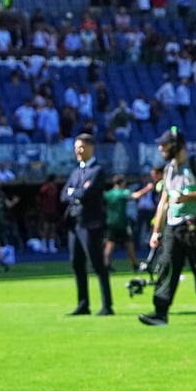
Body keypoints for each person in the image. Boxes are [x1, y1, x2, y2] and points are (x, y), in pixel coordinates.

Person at [139, 127, 196, 326]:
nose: (161, 148)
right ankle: (160, 311)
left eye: (164, 145)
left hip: (194, 224)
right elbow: (163, 202)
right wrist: (156, 231)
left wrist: (187, 197)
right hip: (173, 227)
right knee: (167, 267)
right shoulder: (168, 170)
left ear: (176, 145)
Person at [61, 133, 114, 316]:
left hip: (90, 223)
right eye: (76, 148)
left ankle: (107, 305)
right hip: (75, 223)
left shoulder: (97, 171)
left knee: (97, 264)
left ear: (91, 148)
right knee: (76, 263)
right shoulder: (76, 172)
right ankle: (83, 304)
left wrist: (73, 192)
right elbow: (64, 195)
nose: (78, 151)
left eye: (81, 147)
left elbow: (86, 194)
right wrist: (76, 192)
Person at [102, 174, 139, 273]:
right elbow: (135, 196)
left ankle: (106, 265)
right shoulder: (123, 192)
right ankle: (135, 265)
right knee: (129, 244)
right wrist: (148, 188)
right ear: (122, 183)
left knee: (109, 244)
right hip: (122, 222)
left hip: (111, 221)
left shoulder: (109, 193)